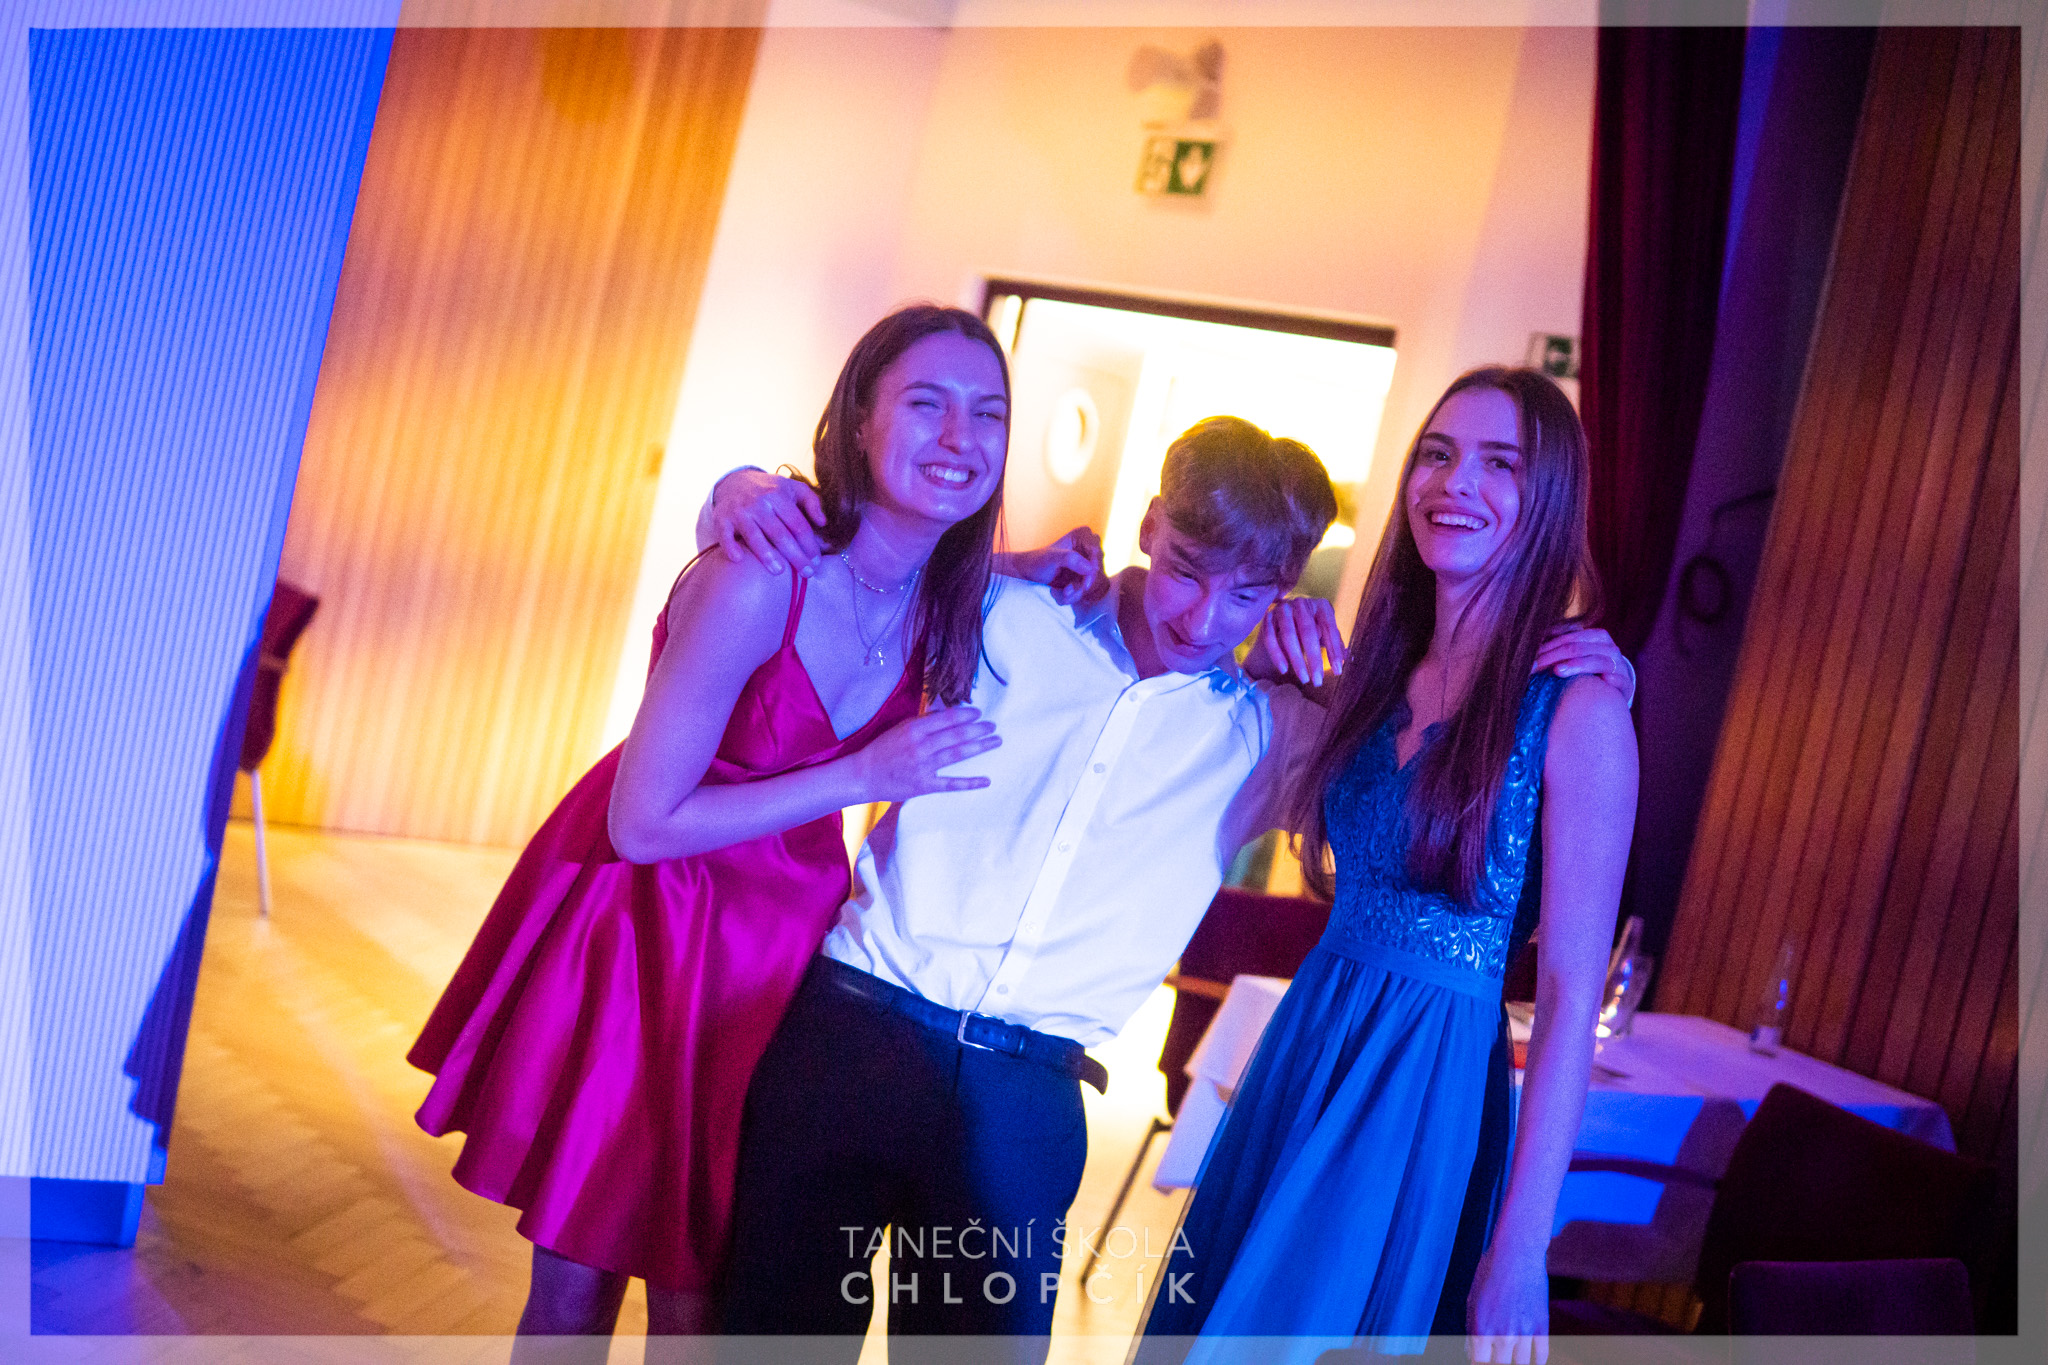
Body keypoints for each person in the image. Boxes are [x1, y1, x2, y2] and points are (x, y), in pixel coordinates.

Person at [700, 413, 1632, 1363]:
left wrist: (1603, 682)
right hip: (855, 1033)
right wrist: (739, 493)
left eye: (1248, 594)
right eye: (1187, 569)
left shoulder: (1271, 729)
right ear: (1149, 524)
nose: (1202, 618)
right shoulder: (1006, 614)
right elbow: (837, 583)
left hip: (1029, 1097)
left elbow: (1424, 769)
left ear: (1285, 593)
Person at [405, 304, 1013, 1356]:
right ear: (859, 419)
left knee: (700, 1299)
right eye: (927, 403)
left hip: (773, 951)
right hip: (648, 930)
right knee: (578, 1290)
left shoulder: (949, 600)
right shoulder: (759, 572)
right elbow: (641, 823)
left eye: (988, 412)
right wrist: (859, 775)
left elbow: (1080, 585)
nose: (960, 436)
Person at [1133, 368, 1638, 1364]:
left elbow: (1572, 999)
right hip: (1308, 1042)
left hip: (1426, 1087)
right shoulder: (1366, 675)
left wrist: (1521, 1246)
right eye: (1437, 454)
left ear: (1548, 499)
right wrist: (1263, 666)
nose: (1455, 483)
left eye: (1500, 464)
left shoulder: (1580, 710)